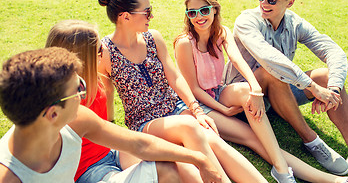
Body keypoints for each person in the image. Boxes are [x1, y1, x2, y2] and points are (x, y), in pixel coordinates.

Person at [174, 0, 348, 183]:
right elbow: (193, 89)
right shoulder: (184, 43)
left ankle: (287, 168)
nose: (199, 17)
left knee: (246, 90)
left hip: (219, 91)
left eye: (204, 10)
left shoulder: (222, 32)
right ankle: (322, 178)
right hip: (201, 104)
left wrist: (256, 89)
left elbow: (237, 60)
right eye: (192, 13)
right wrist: (223, 110)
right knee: (254, 139)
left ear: (215, 9)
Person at [97, 0, 268, 183]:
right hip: (144, 121)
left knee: (214, 140)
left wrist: (197, 111)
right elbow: (106, 94)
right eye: (147, 11)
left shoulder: (153, 37)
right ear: (125, 16)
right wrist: (110, 130)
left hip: (176, 108)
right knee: (189, 126)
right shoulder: (105, 52)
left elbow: (175, 76)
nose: (151, 16)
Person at [224, 0, 348, 176]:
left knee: (326, 76)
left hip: (278, 95)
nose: (264, 2)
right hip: (243, 100)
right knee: (271, 72)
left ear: (290, 2)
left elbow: (332, 50)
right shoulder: (246, 21)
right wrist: (313, 88)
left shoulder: (294, 23)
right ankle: (311, 140)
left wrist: (332, 88)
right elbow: (270, 58)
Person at [0, 47, 222, 183]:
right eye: (77, 90)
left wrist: (199, 159)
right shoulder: (9, 176)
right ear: (52, 114)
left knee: (165, 167)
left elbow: (139, 144)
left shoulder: (77, 119)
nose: (83, 93)